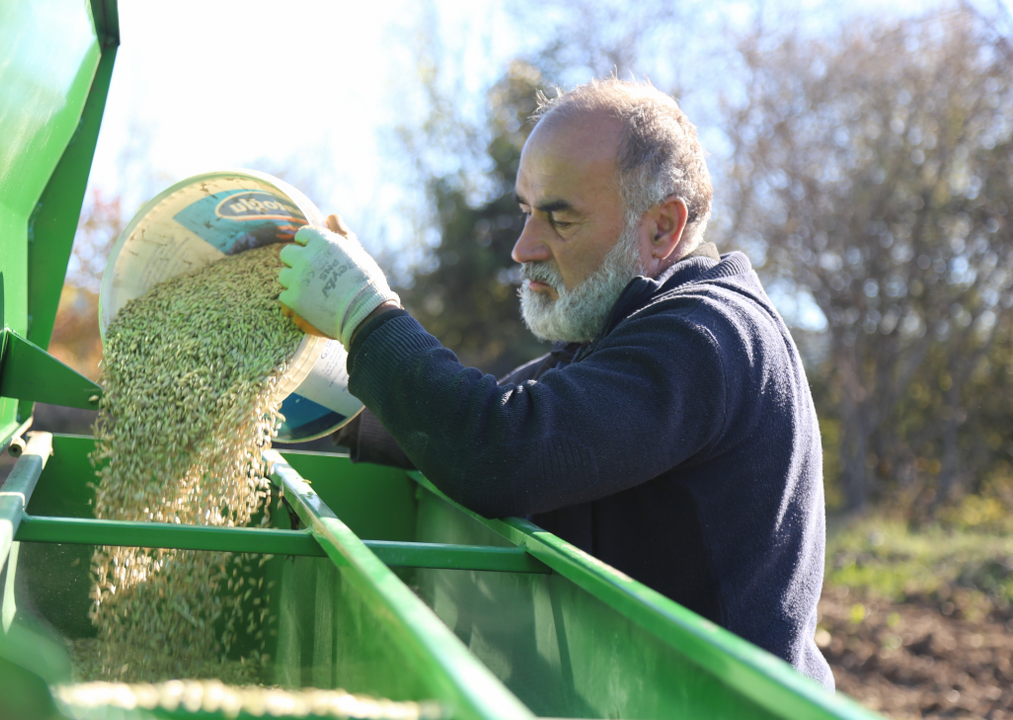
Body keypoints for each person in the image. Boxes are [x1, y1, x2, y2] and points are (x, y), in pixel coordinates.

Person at [276, 78, 834, 688]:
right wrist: (317, 398)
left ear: (660, 229)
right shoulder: (611, 338)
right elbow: (478, 418)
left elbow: (501, 450)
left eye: (559, 217)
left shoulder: (708, 335)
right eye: (524, 211)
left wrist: (364, 313)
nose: (522, 248)